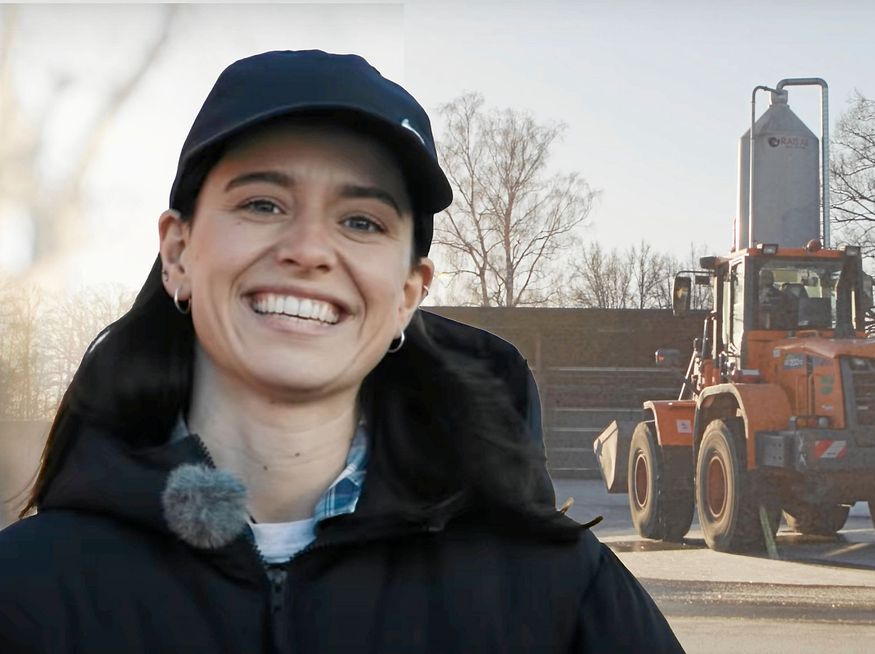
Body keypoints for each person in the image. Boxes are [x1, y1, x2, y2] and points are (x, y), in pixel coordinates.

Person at [0, 50, 683, 652]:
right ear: (177, 253)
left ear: (410, 294)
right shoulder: (26, 594)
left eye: (361, 221)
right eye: (263, 203)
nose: (308, 249)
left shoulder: (559, 595)